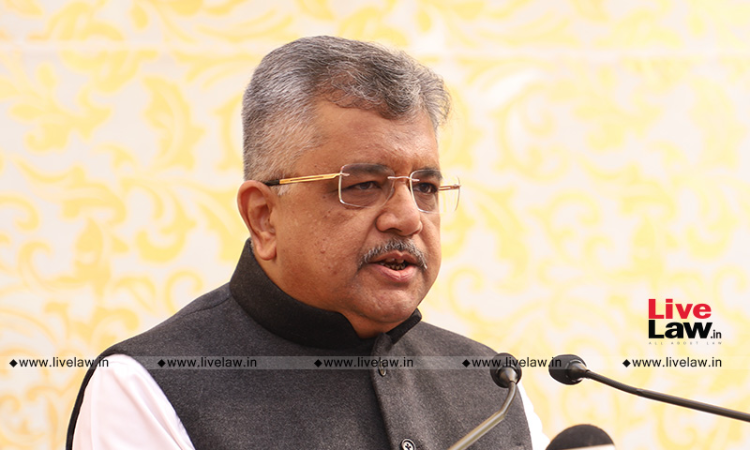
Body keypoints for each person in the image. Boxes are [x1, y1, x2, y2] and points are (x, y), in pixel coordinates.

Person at [67, 35, 547, 450]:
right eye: (363, 185)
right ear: (264, 217)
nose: (407, 218)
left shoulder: (493, 388)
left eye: (424, 187)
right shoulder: (145, 387)